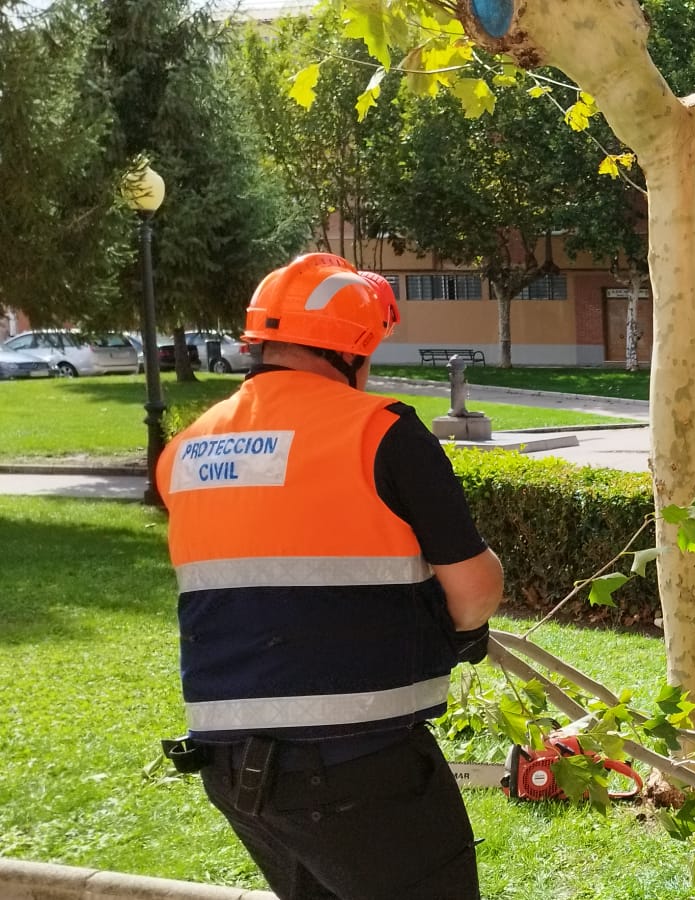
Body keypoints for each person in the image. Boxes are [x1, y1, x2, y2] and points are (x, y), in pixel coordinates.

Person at [156, 253, 504, 899]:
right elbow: (475, 592)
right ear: (354, 352)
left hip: (234, 772)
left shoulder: (186, 450)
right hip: (359, 767)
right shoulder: (380, 432)